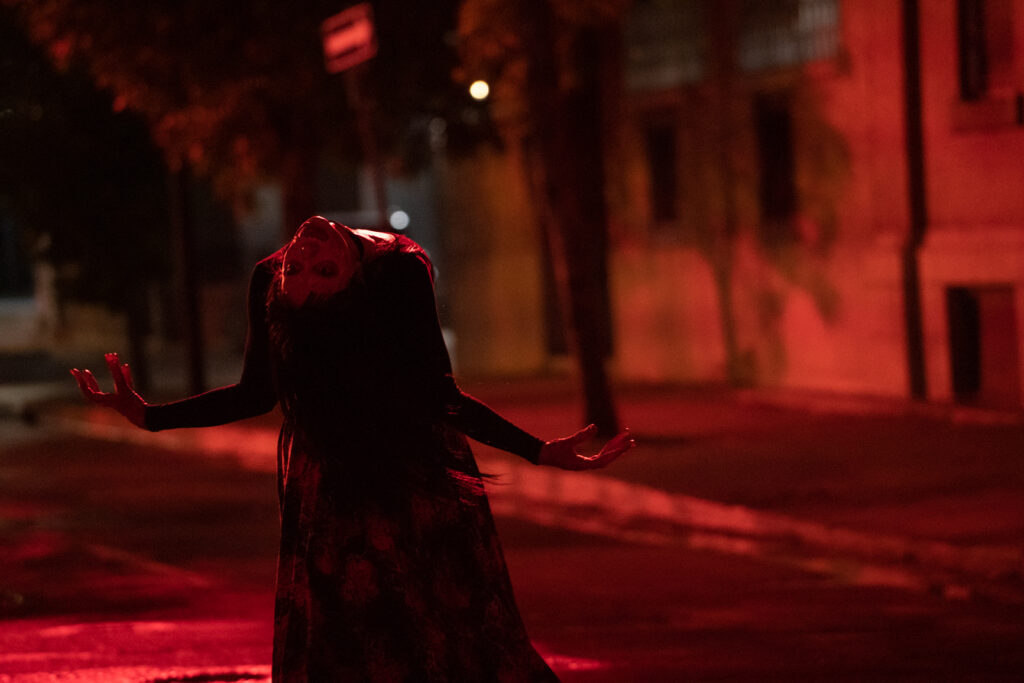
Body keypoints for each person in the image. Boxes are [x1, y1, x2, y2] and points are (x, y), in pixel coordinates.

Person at [71, 216, 634, 682]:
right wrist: (538, 450)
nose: (305, 252)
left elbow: (429, 392)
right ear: (351, 285)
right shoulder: (385, 272)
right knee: (366, 633)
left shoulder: (329, 274)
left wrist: (149, 415)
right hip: (349, 471)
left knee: (441, 626)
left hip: (396, 463)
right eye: (314, 269)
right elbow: (260, 393)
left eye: (304, 269)